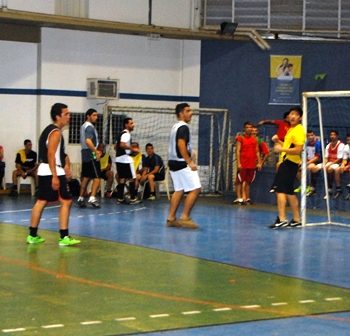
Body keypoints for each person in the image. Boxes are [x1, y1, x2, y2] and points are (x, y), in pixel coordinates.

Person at [27, 103, 80, 246]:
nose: (69, 116)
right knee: (66, 201)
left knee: (42, 201)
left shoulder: (51, 131)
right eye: (66, 114)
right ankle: (64, 237)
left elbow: (59, 154)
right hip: (51, 172)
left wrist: (66, 166)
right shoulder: (55, 132)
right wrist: (55, 176)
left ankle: (32, 235)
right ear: (58, 116)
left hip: (47, 170)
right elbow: (50, 154)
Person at [269, 106, 306, 229]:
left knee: (280, 190)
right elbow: (288, 146)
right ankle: (296, 219)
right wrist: (278, 142)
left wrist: (281, 149)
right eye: (291, 114)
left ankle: (282, 219)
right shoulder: (292, 129)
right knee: (289, 192)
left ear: (300, 117)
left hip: (289, 163)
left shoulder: (299, 130)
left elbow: (298, 150)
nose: (292, 116)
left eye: (295, 114)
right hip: (288, 162)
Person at [166, 103, 201, 229]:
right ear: (181, 113)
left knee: (179, 189)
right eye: (188, 110)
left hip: (172, 162)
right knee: (196, 189)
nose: (191, 112)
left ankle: (171, 218)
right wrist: (189, 161)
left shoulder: (175, 126)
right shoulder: (183, 127)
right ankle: (185, 217)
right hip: (181, 162)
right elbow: (181, 144)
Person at [76, 109, 101, 208]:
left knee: (86, 177)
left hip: (84, 153)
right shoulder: (90, 127)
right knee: (97, 177)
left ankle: (81, 198)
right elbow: (88, 141)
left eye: (97, 115)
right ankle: (92, 198)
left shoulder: (83, 126)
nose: (96, 117)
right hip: (91, 153)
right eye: (94, 115)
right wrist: (96, 152)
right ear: (88, 116)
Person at [233, 122, 261, 205]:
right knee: (239, 181)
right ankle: (239, 198)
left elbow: (257, 152)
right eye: (247, 127)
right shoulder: (240, 138)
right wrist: (239, 163)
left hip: (251, 164)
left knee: (248, 181)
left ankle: (247, 198)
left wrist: (259, 162)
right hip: (243, 163)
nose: (249, 129)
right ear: (244, 129)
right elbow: (237, 151)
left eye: (250, 127)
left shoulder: (255, 140)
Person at [115, 118, 140, 204]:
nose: (133, 125)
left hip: (119, 159)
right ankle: (133, 198)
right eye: (131, 123)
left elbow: (116, 147)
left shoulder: (120, 134)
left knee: (122, 179)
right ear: (126, 125)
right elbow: (122, 145)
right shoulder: (126, 134)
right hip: (125, 159)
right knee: (132, 178)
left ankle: (120, 198)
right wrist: (132, 149)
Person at [294, 129, 322, 196]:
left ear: (314, 135)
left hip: (317, 162)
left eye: (311, 135)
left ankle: (310, 187)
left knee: (309, 167)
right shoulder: (306, 143)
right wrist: (302, 161)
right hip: (308, 161)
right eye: (308, 136)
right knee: (297, 167)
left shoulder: (318, 144)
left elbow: (317, 157)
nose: (310, 137)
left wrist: (307, 163)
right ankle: (303, 185)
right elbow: (305, 155)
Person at [323, 130, 344, 199]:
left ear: (337, 136)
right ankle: (329, 189)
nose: (332, 136)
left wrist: (329, 164)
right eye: (331, 135)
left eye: (334, 135)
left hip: (337, 163)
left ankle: (331, 189)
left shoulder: (341, 145)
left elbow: (339, 159)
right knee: (322, 168)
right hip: (330, 162)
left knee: (329, 168)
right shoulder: (328, 145)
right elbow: (326, 157)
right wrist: (325, 163)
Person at [338, 134, 350, 200]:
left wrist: (347, 167)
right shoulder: (346, 147)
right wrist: (343, 165)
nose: (349, 141)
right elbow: (345, 159)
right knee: (339, 168)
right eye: (348, 140)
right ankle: (338, 189)